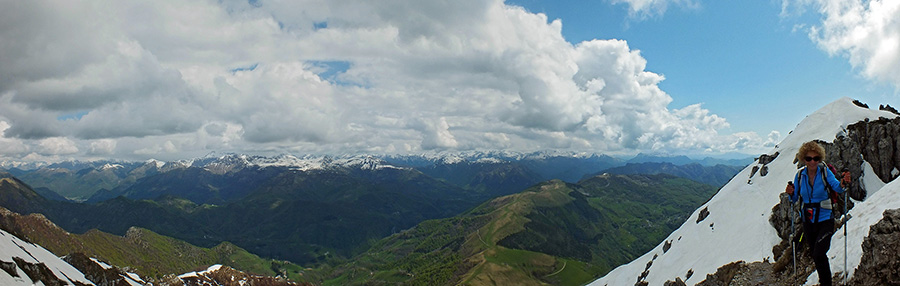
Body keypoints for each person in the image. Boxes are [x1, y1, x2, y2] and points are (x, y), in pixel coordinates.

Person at [784, 141, 848, 286]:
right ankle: (824, 281)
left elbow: (837, 187)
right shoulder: (800, 175)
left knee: (819, 253)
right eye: (808, 158)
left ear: (820, 159)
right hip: (808, 221)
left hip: (825, 219)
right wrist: (790, 193)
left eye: (816, 158)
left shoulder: (825, 172)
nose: (812, 161)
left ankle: (826, 283)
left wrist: (843, 183)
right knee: (816, 254)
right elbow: (794, 199)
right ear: (803, 159)